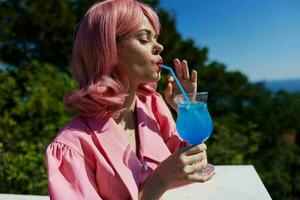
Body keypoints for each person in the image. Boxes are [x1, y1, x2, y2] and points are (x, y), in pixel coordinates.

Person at [45, 0, 215, 199]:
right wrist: (157, 182)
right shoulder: (73, 145)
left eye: (156, 38)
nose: (159, 46)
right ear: (107, 50)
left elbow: (190, 163)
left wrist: (186, 105)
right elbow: (167, 176)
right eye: (144, 39)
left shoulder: (153, 106)